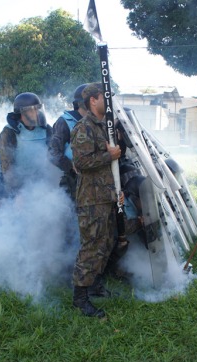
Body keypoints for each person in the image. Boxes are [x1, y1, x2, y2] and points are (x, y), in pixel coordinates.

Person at [70, 82, 122, 318]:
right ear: (93, 100)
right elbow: (80, 163)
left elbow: (113, 165)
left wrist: (117, 189)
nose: (108, 101)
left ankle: (95, 285)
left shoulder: (104, 127)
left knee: (106, 243)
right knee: (91, 247)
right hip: (91, 199)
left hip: (107, 196)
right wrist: (107, 155)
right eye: (105, 97)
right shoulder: (84, 127)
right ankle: (80, 299)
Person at [0, 92, 52, 198]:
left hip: (42, 186)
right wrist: (17, 194)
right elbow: (7, 168)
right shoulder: (9, 132)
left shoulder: (47, 130)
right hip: (18, 189)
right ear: (22, 112)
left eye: (37, 108)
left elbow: (54, 157)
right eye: (32, 109)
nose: (36, 113)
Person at [48, 84, 88, 200]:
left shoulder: (98, 121)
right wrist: (71, 166)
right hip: (74, 182)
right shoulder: (65, 122)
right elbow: (52, 153)